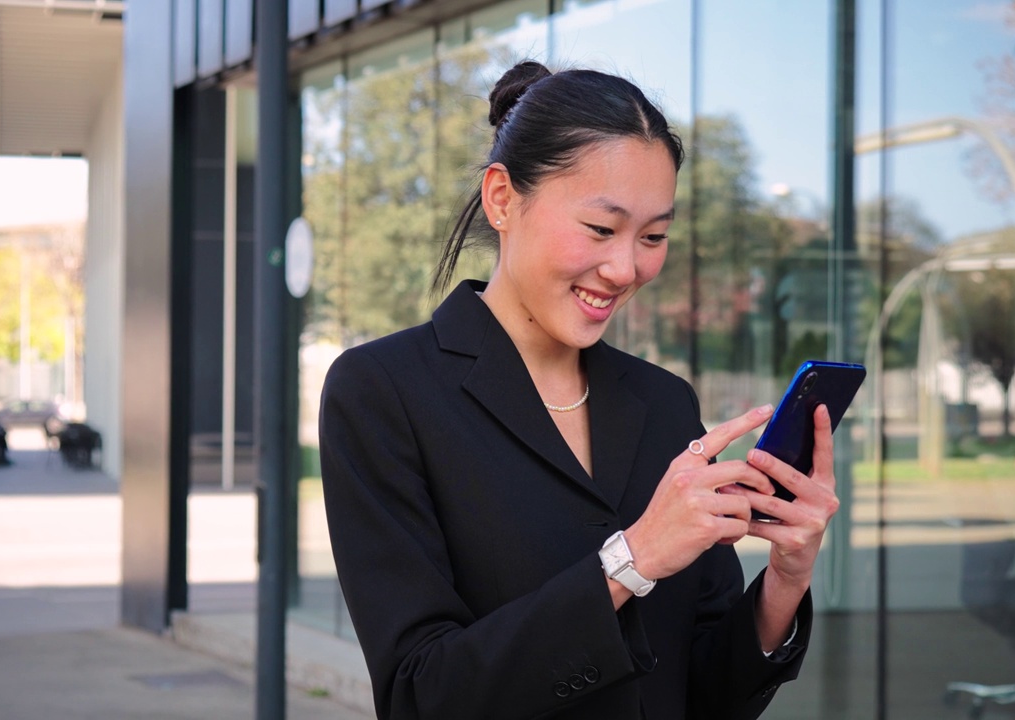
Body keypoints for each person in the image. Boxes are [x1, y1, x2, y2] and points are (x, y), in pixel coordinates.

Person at [319, 61, 839, 720]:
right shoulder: (385, 392)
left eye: (653, 236)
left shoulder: (664, 402)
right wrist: (633, 558)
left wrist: (785, 582)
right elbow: (424, 695)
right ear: (503, 198)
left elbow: (703, 695)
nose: (626, 268)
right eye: (600, 229)